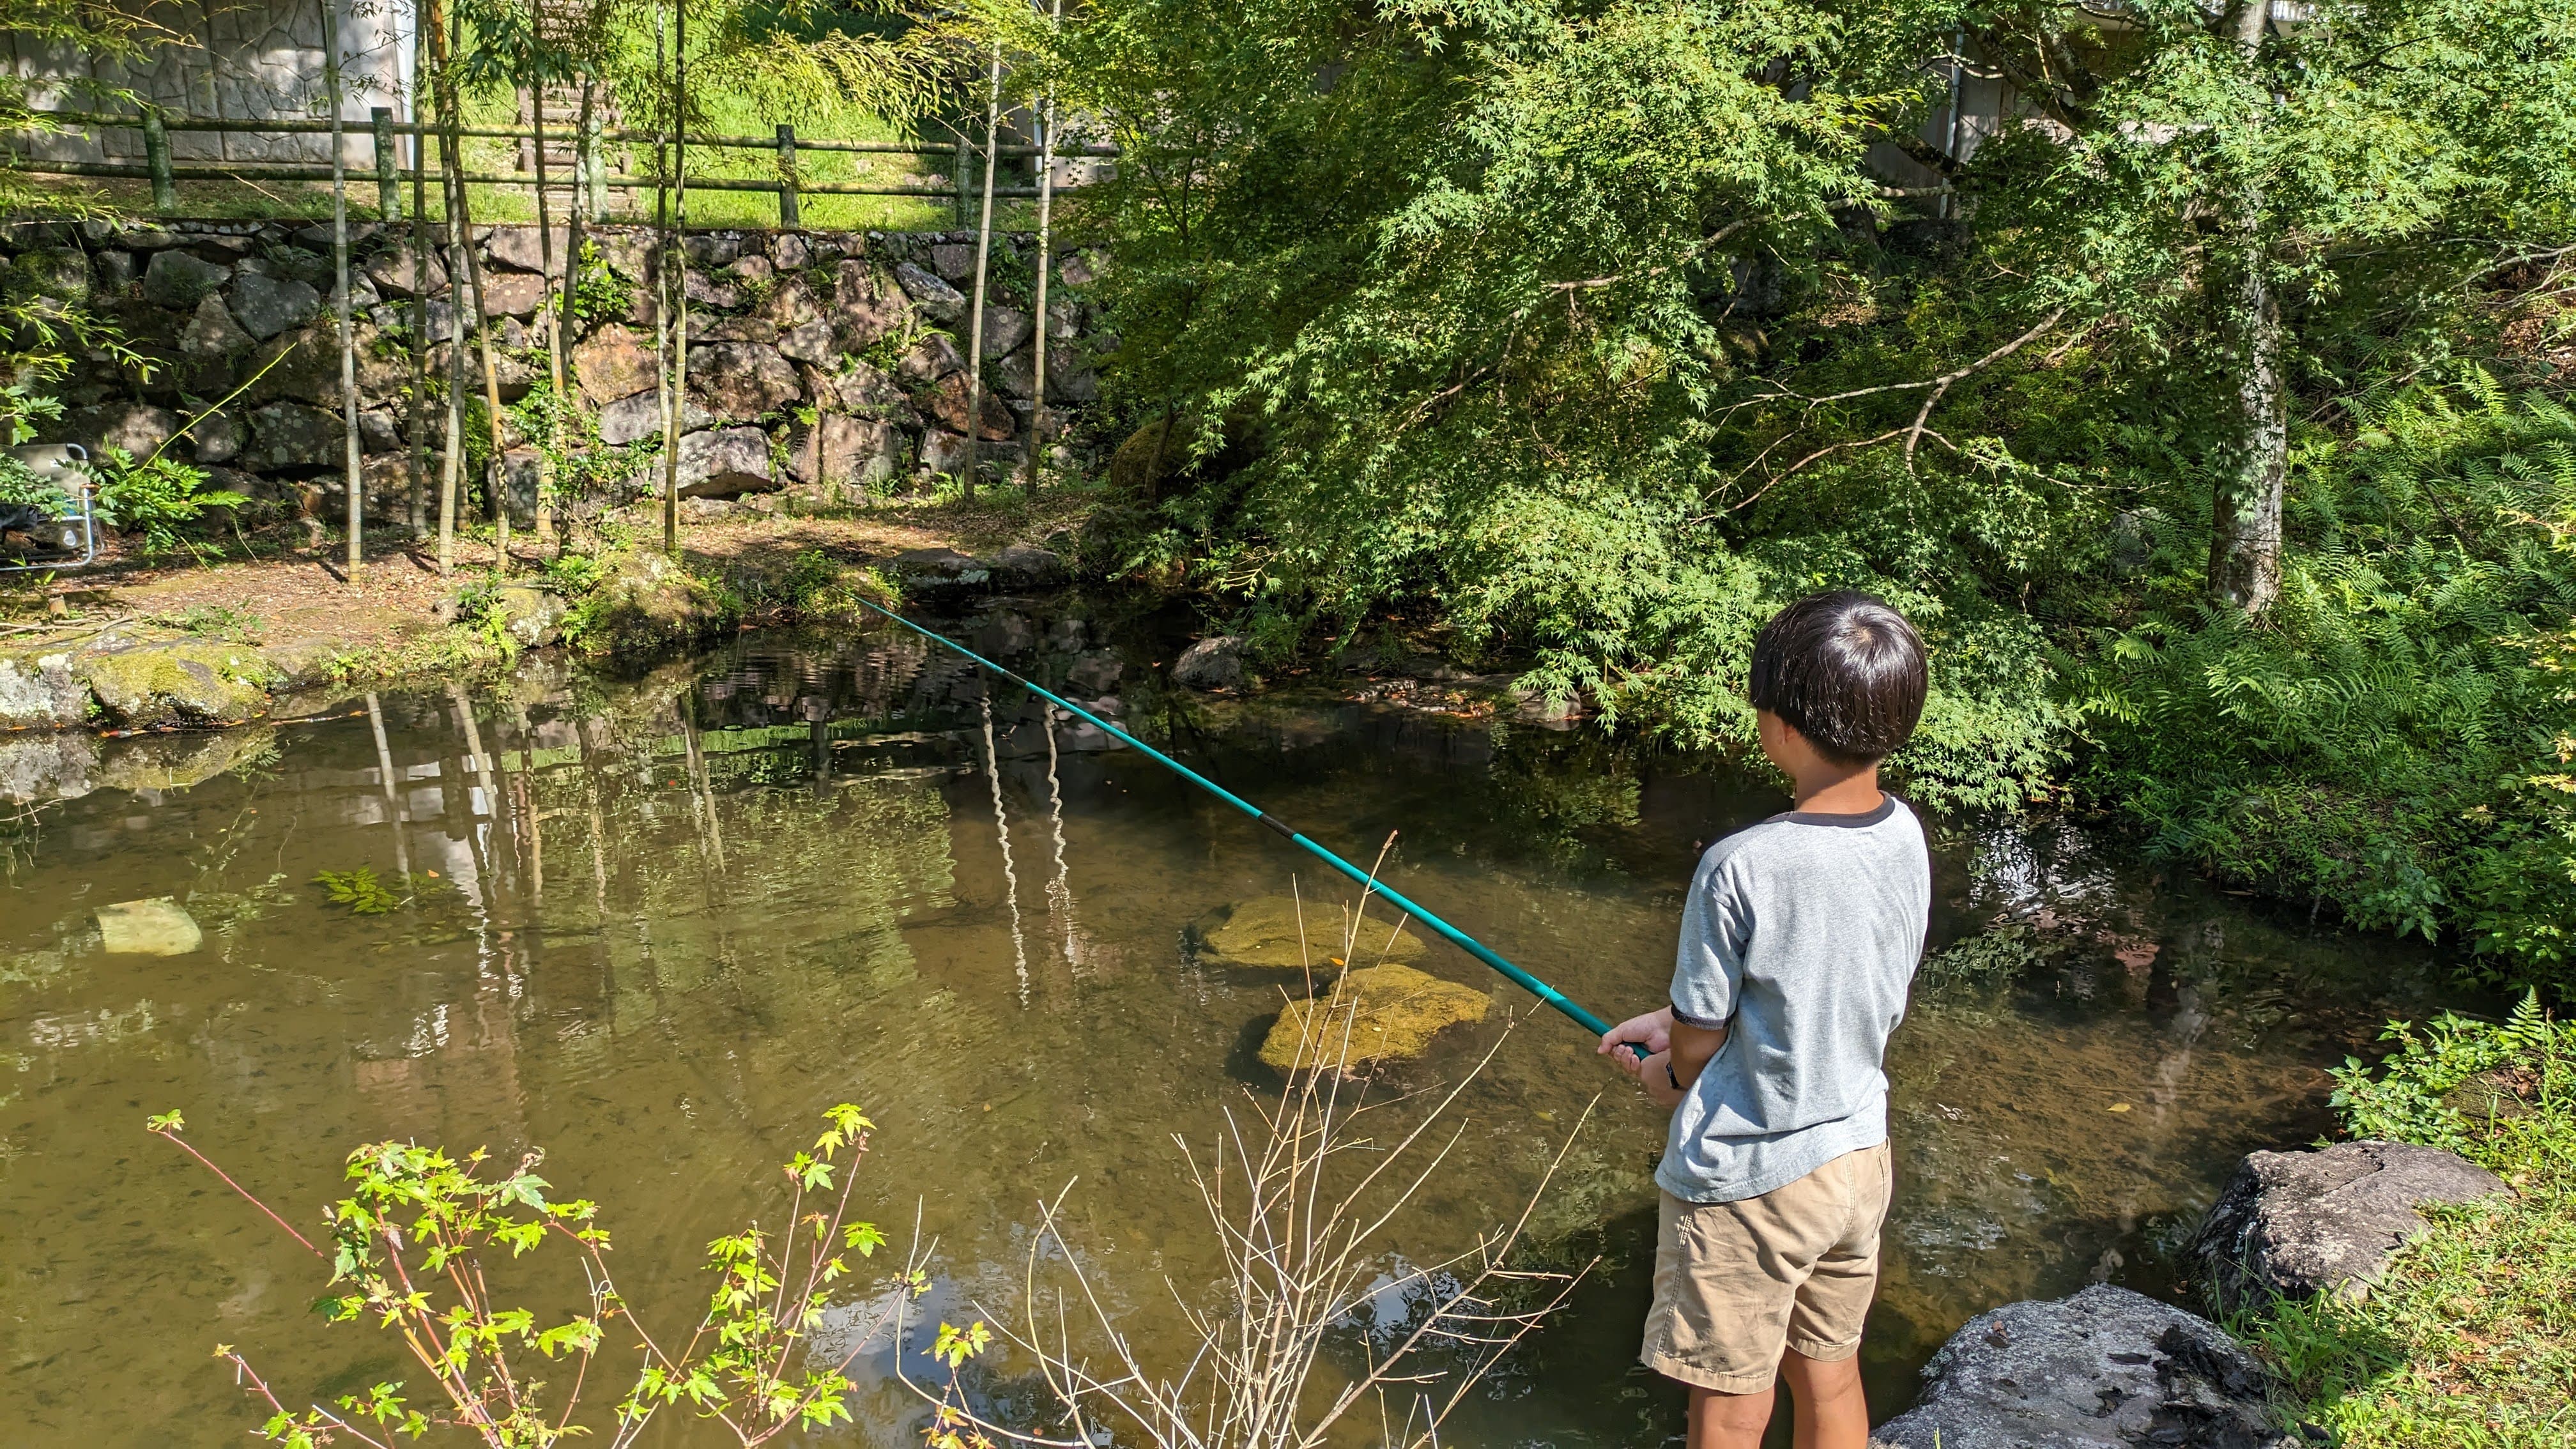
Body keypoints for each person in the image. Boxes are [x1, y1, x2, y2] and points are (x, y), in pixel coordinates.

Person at [1599, 590, 1931, 1449]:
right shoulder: (1904, 834)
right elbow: (1840, 985)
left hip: (1753, 1175)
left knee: (1728, 1394)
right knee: (1829, 1367)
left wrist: (1669, 1075)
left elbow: (1701, 1039)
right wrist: (1680, 1020)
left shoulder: (1740, 865)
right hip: (1857, 1156)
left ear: (1779, 726)